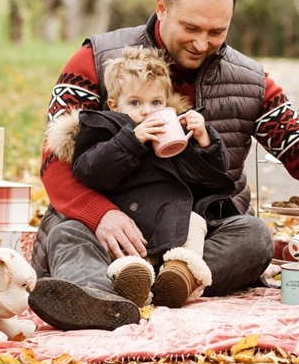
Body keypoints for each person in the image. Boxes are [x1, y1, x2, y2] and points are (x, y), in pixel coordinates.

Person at [30, 0, 299, 331]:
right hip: (107, 226)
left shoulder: (250, 80)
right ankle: (95, 294)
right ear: (162, 8)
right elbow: (52, 159)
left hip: (195, 236)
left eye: (216, 31)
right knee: (67, 233)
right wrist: (100, 214)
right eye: (190, 27)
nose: (202, 43)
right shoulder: (96, 59)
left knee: (254, 239)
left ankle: (163, 281)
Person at [44, 45, 238, 313]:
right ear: (114, 105)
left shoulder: (174, 129)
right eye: (135, 103)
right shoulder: (102, 128)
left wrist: (205, 141)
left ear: (167, 103)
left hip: (172, 232)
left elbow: (211, 179)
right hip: (120, 239)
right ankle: (100, 294)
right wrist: (131, 140)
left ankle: (178, 276)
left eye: (156, 103)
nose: (147, 112)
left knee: (248, 234)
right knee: (66, 234)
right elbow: (90, 171)